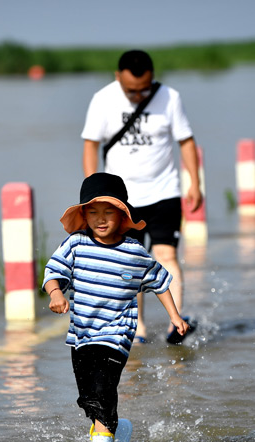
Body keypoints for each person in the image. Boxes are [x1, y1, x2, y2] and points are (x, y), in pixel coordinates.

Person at [43, 172, 189, 442]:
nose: (100, 219)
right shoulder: (76, 244)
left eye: (108, 211)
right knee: (89, 401)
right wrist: (56, 293)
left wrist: (175, 317)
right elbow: (52, 272)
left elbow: (160, 283)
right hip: (82, 336)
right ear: (83, 215)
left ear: (122, 215)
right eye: (93, 212)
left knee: (103, 393)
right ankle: (119, 429)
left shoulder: (134, 252)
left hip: (118, 335)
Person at [81, 49, 200, 345]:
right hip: (121, 198)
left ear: (153, 78)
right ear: (117, 77)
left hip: (165, 191)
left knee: (166, 254)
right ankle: (139, 329)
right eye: (131, 90)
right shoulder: (103, 100)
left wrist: (194, 183)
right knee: (130, 261)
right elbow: (90, 146)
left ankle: (177, 324)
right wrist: (92, 192)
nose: (137, 95)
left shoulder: (170, 98)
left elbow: (185, 141)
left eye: (144, 89)